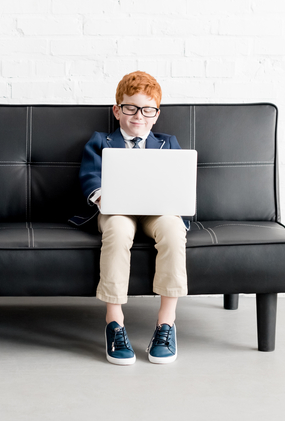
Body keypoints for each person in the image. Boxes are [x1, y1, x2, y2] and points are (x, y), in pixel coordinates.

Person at [77, 71, 188, 365]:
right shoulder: (101, 141)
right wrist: (103, 196)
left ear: (156, 115)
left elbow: (179, 182)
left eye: (147, 110)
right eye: (131, 108)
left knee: (174, 230)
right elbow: (90, 177)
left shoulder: (168, 143)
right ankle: (115, 321)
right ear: (117, 110)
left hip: (157, 212)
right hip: (118, 210)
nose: (138, 116)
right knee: (116, 228)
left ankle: (166, 322)